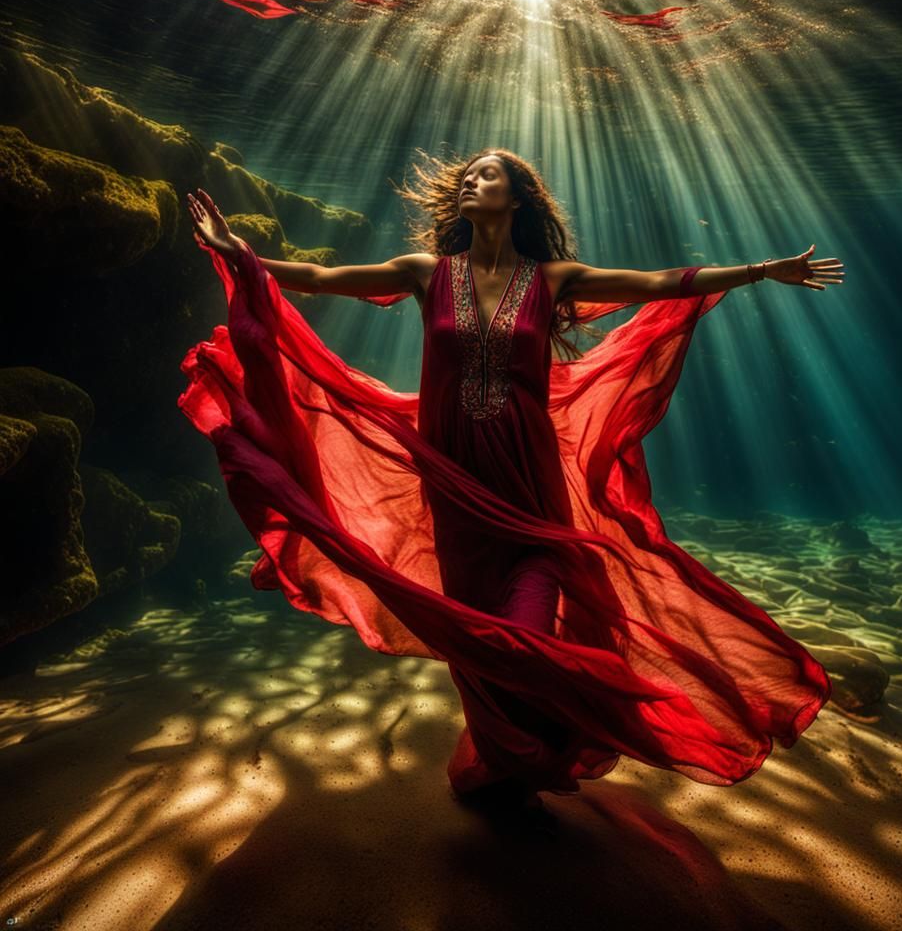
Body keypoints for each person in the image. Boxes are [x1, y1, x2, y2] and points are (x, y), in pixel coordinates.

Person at [181, 149, 842, 835]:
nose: (471, 180)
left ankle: (555, 738)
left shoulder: (554, 279)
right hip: (455, 483)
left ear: (518, 197)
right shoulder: (427, 274)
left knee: (522, 635)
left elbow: (660, 281)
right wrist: (238, 253)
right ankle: (507, 762)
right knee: (478, 638)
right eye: (466, 175)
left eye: (486, 174)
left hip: (529, 486)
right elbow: (317, 278)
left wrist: (764, 270)